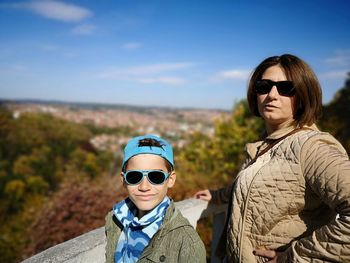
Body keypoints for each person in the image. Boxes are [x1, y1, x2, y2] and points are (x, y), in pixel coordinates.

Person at [194, 54, 350, 262]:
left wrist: (293, 257)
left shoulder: (313, 148)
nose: (272, 95)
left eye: (286, 88)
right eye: (264, 86)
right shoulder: (267, 144)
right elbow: (260, 188)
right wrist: (218, 196)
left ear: (304, 95)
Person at [105, 134, 206, 263]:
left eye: (156, 176)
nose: (144, 186)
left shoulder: (186, 243)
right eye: (134, 177)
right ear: (123, 180)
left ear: (170, 179)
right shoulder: (114, 220)